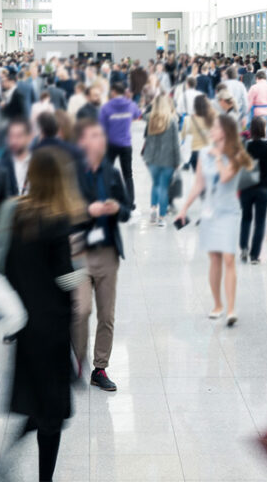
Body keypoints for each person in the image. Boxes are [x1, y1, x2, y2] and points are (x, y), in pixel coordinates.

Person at [3, 147, 87, 482]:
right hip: (52, 329)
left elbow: (9, 269)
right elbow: (65, 277)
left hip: (25, 324)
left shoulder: (19, 217)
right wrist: (80, 266)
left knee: (35, 395)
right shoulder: (57, 222)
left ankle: (15, 447)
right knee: (52, 414)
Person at [176, 115, 253, 325]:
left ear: (225, 132)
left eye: (216, 128)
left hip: (229, 212)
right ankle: (217, 304)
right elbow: (199, 184)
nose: (212, 131)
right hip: (210, 211)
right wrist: (184, 208)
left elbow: (226, 177)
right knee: (215, 259)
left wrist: (218, 156)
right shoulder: (203, 153)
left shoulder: (236, 154)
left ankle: (231, 309)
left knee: (229, 257)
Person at [74, 119, 131, 391]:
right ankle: (77, 362)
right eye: (92, 136)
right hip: (79, 251)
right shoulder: (72, 174)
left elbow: (127, 209)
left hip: (107, 252)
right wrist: (89, 211)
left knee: (106, 314)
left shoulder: (111, 173)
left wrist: (115, 209)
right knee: (81, 310)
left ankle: (100, 368)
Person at [239, 117, 267, 264]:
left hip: (247, 187)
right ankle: (254, 255)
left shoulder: (246, 146)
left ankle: (243, 247)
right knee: (260, 221)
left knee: (246, 218)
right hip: (264, 188)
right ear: (264, 129)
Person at [99, 81, 142, 210]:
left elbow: (101, 126)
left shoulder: (106, 107)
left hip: (111, 145)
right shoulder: (131, 105)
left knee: (107, 172)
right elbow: (138, 115)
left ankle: (107, 198)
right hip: (126, 144)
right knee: (128, 174)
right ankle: (130, 203)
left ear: (113, 92)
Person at [142, 94, 181, 225]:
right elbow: (176, 143)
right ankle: (161, 218)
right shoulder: (172, 120)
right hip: (168, 158)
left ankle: (153, 209)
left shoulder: (149, 119)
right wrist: (178, 161)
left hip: (152, 158)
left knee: (155, 184)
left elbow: (144, 116)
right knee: (164, 187)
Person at [0, 117, 32, 196]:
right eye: (11, 136)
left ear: (29, 137)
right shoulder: (2, 166)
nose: (14, 141)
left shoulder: (38, 162)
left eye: (19, 136)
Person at [182, 94, 216, 171]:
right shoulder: (212, 119)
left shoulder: (188, 119)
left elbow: (183, 136)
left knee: (198, 177)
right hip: (208, 152)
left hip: (194, 152)